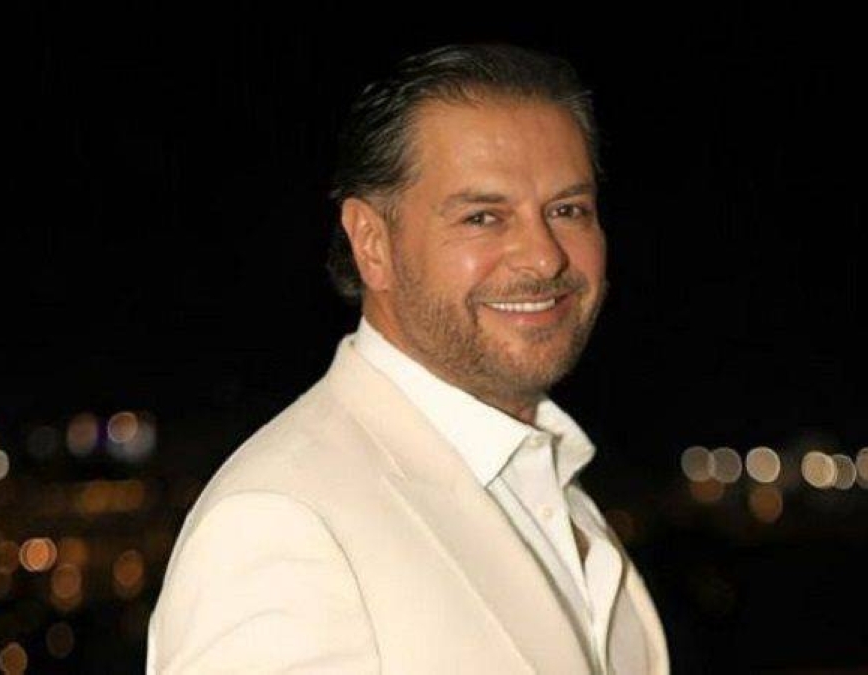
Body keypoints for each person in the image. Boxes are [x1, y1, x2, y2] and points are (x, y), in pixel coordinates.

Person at [146, 43, 669, 674]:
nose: (544, 256)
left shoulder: (552, 489)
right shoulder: (284, 522)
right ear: (371, 242)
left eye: (567, 210)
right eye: (483, 217)